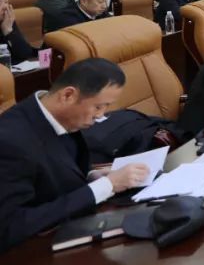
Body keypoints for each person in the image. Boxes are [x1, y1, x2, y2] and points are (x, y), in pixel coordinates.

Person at [0, 58, 151, 252]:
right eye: (98, 107)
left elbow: (49, 171)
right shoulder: (10, 142)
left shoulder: (53, 116)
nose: (101, 115)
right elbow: (9, 226)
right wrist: (106, 186)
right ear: (68, 95)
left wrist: (91, 176)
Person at [0, 0, 37, 64]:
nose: (5, 7)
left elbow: (25, 53)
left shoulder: (7, 20)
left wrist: (9, 32)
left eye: (6, 2)